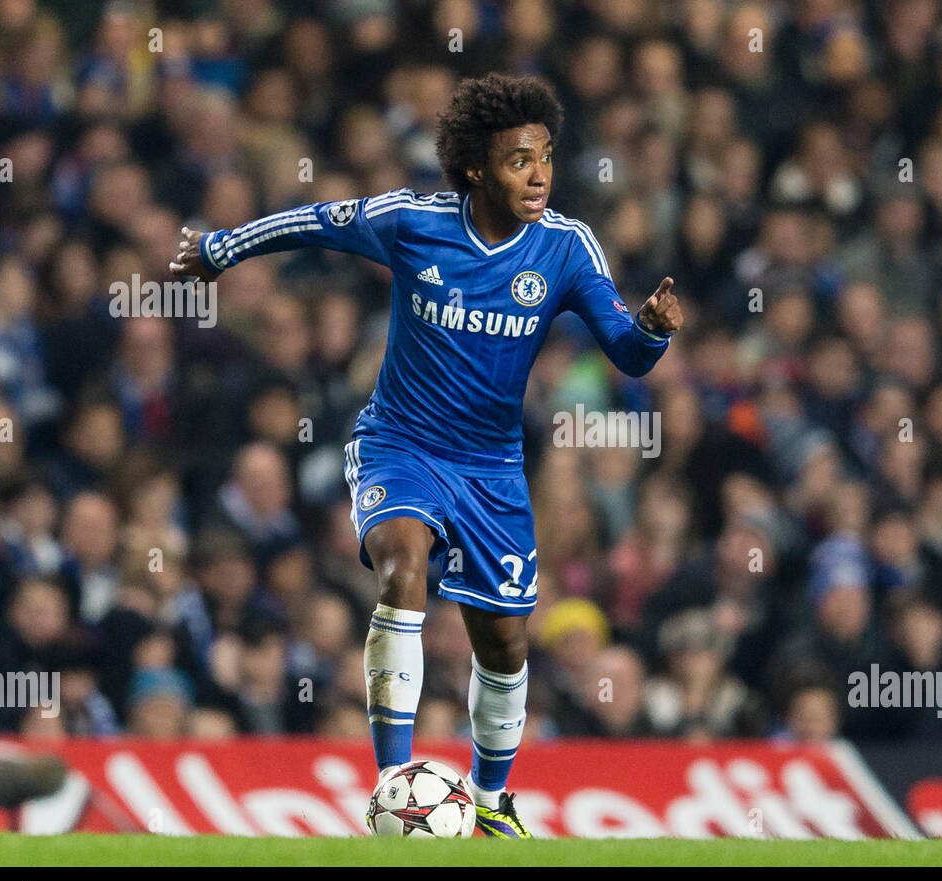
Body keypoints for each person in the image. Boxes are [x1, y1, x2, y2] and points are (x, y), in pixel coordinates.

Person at [170, 73, 684, 837]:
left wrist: (650, 329)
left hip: (493, 471)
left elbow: (628, 355)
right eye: (518, 160)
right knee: (404, 570)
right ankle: (394, 781)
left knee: (505, 641)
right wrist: (219, 247)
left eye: (545, 156)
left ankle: (492, 800)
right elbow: (315, 220)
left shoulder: (568, 249)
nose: (539, 173)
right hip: (400, 446)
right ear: (476, 167)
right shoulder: (412, 220)